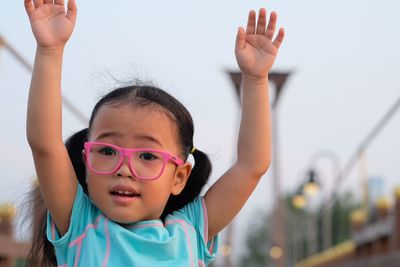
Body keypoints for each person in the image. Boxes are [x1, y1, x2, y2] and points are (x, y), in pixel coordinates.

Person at [24, 0, 285, 266]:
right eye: (106, 151)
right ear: (86, 162)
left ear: (179, 177)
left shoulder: (190, 231)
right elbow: (45, 145)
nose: (123, 169)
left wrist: (255, 80)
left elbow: (251, 165)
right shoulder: (80, 225)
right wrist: (49, 50)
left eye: (147, 156)